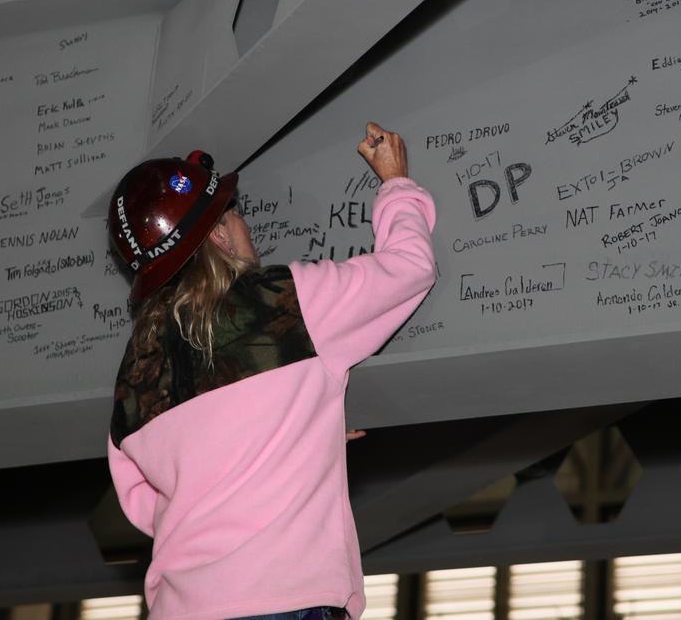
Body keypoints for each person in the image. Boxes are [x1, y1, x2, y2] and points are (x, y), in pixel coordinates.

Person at [105, 123, 436, 620]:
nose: (246, 227)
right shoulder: (284, 302)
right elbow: (409, 268)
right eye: (236, 215)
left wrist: (292, 432)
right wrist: (395, 183)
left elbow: (146, 503)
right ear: (219, 235)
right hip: (281, 601)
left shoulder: (136, 367)